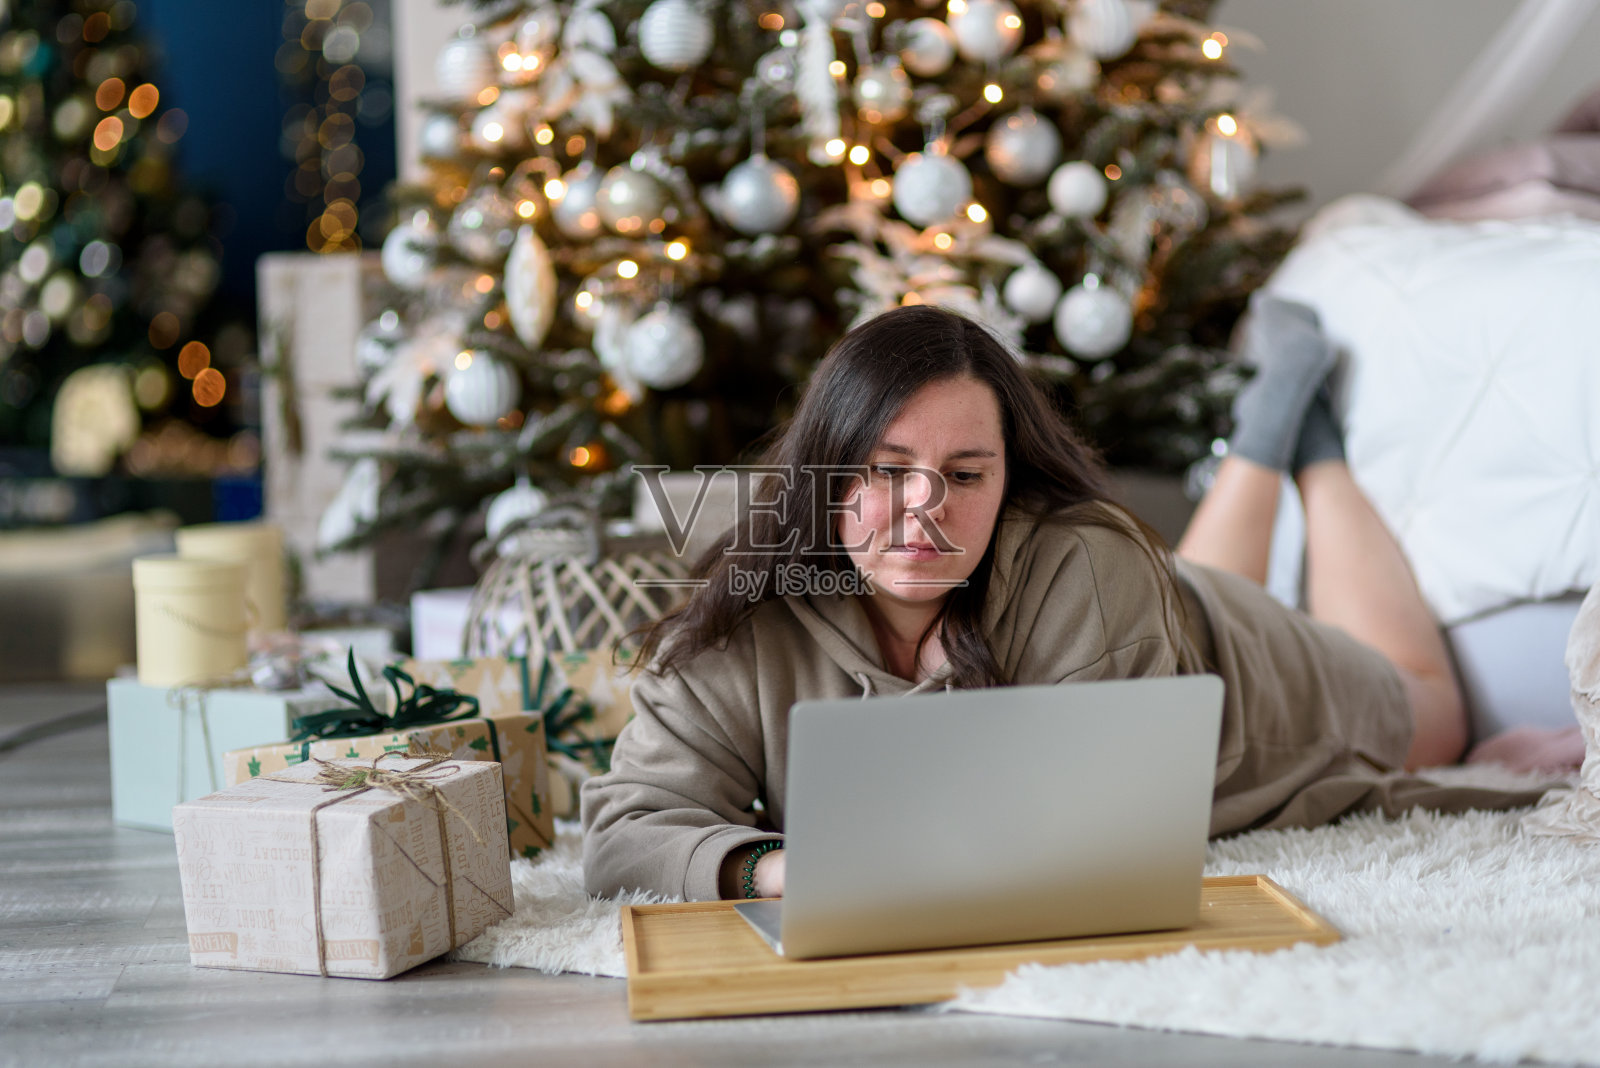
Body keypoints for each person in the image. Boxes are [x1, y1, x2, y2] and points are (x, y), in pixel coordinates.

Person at [581, 300, 1558, 903]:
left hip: (1252, 691)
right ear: (826, 475)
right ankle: (1267, 432)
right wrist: (778, 869)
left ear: (1011, 482)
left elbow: (1074, 835)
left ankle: (1310, 446)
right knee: (1161, 573)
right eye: (885, 473)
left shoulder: (1084, 564)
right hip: (1155, 606)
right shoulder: (746, 609)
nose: (921, 513)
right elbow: (624, 836)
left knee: (1429, 708)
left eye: (964, 475)